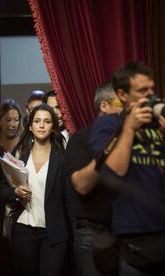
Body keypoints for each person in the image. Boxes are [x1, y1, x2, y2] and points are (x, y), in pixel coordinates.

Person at [90, 62, 165, 276]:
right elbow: (112, 173)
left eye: (151, 89)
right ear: (122, 94)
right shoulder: (109, 125)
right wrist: (129, 127)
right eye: (142, 91)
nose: (150, 95)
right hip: (134, 236)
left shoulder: (159, 123)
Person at [0, 104, 69, 276]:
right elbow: (3, 189)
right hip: (23, 229)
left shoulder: (62, 157)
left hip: (54, 232)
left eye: (47, 121)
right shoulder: (19, 152)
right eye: (37, 121)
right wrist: (16, 193)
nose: (41, 125)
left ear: (53, 127)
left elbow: (69, 197)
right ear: (30, 126)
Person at [66, 82, 122, 276]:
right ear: (104, 106)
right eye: (123, 102)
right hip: (93, 232)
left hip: (131, 229)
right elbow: (82, 185)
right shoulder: (80, 139)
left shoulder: (136, 138)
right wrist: (112, 144)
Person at [0, 99, 23, 276]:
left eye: (16, 119)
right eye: (8, 119)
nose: (13, 124)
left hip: (21, 204)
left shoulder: (25, 144)